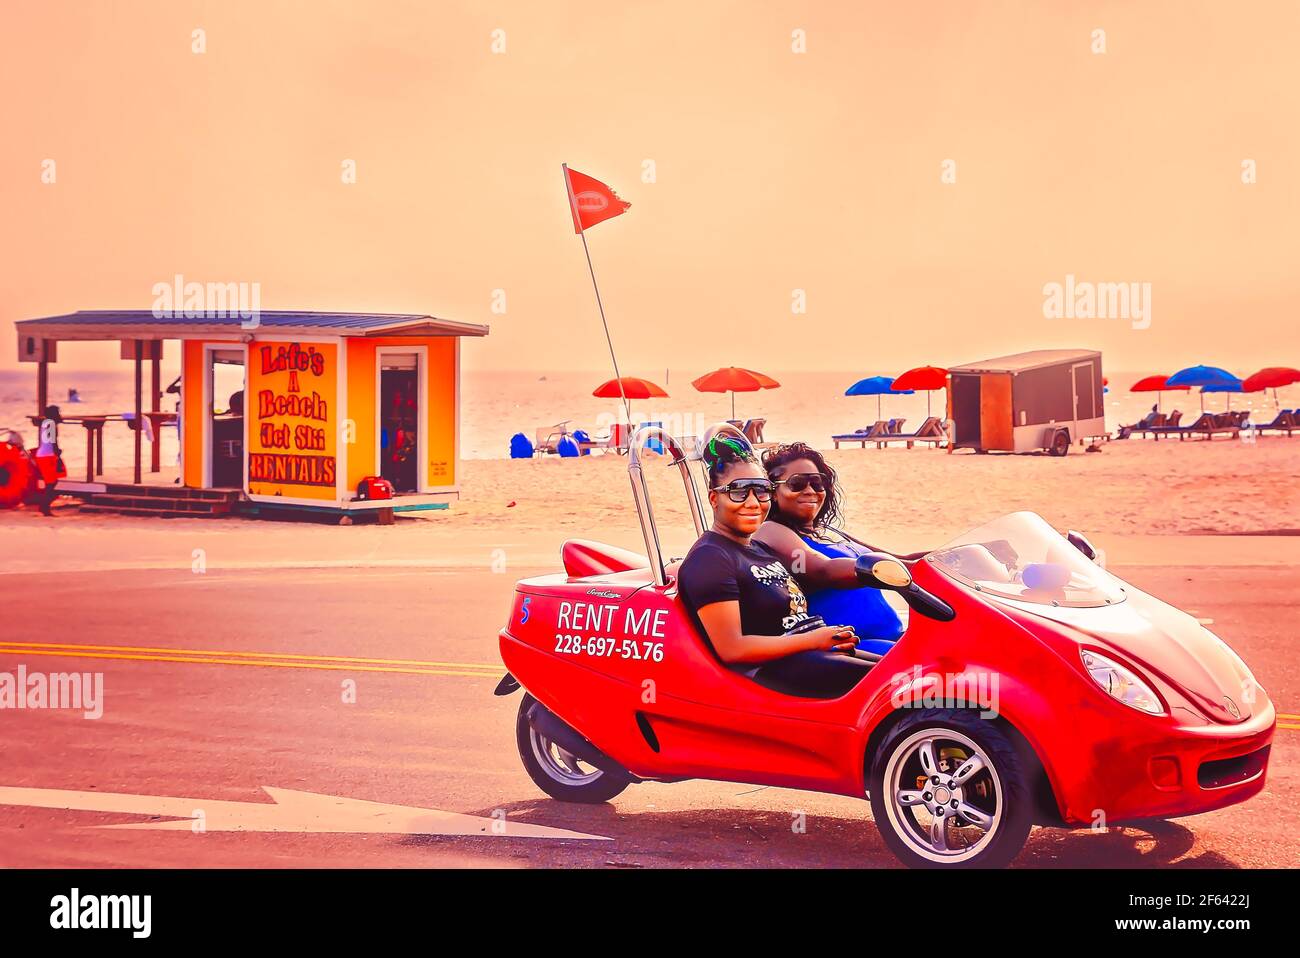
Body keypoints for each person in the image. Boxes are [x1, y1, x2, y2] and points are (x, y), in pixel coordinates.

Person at [675, 435, 870, 698]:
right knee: (896, 686)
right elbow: (732, 649)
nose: (753, 502)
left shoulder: (759, 549)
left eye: (761, 490)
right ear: (714, 499)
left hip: (812, 655)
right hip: (770, 674)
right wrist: (814, 640)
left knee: (906, 673)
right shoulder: (711, 557)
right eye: (738, 491)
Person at [754, 442, 922, 655]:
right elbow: (822, 570)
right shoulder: (770, 531)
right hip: (852, 648)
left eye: (817, 483)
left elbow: (900, 561)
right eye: (797, 484)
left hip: (895, 639)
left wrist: (953, 558)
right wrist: (875, 571)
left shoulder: (829, 532)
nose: (810, 490)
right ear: (773, 492)